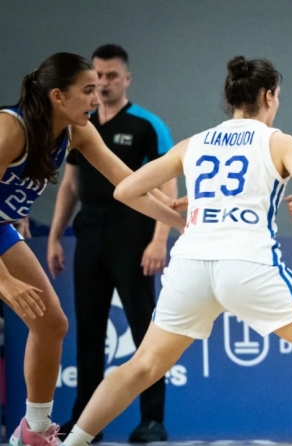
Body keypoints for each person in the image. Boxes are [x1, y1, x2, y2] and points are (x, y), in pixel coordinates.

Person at [60, 56, 292, 446]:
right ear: (269, 96)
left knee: (143, 366)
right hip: (247, 264)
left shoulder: (195, 143)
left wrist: (179, 221)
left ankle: (71, 443)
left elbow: (125, 190)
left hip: (190, 266)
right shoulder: (279, 141)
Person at [0, 52, 183, 446]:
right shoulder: (10, 129)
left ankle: (33, 431)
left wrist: (180, 219)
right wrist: (5, 281)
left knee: (52, 324)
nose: (96, 99)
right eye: (87, 90)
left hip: (1, 230)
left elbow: (128, 182)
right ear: (57, 96)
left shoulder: (76, 132)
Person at [47, 44, 175, 443]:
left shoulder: (147, 125)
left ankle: (152, 420)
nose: (103, 84)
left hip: (133, 234)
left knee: (144, 327)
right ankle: (87, 422)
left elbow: (168, 182)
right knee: (88, 330)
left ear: (127, 79)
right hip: (89, 233)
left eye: (111, 76)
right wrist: (55, 236)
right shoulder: (79, 124)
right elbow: (70, 186)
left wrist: (159, 239)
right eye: (97, 77)